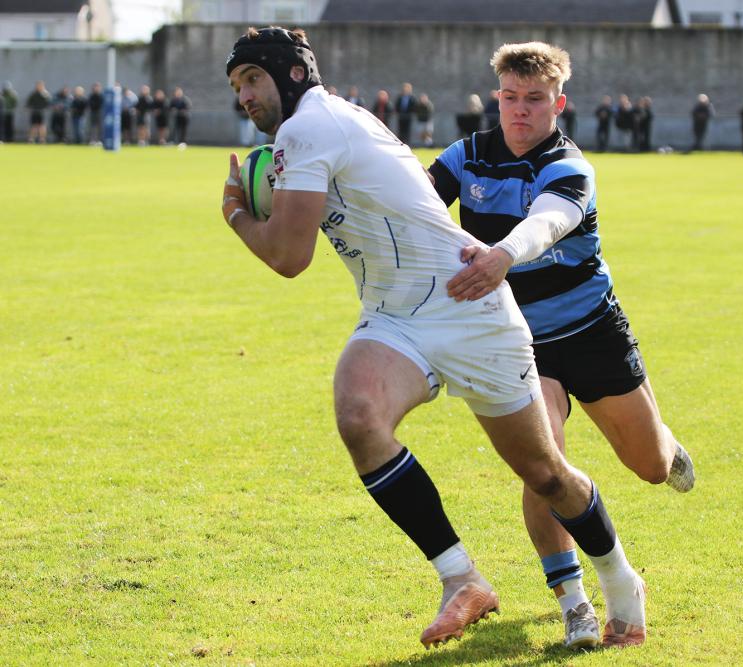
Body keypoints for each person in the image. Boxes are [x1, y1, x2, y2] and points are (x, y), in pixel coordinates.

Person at [223, 26, 648, 652]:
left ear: (291, 75)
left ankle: (621, 582)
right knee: (359, 412)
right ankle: (462, 580)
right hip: (396, 315)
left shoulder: (310, 126)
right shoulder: (320, 128)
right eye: (236, 87)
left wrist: (236, 211)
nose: (244, 98)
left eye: (252, 80)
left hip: (469, 308)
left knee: (545, 472)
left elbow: (289, 256)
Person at [429, 40, 696, 649]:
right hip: (519, 340)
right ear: (497, 98)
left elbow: (547, 222)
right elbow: (414, 204)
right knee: (541, 464)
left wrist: (501, 255)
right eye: (510, 98)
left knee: (650, 467)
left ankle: (666, 444)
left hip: (591, 330)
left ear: (559, 103)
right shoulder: (466, 155)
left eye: (535, 100)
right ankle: (574, 599)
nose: (520, 111)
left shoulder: (569, 164)